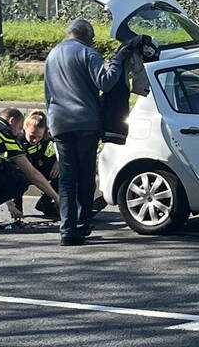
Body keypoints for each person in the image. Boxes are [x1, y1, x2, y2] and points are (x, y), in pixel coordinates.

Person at [44, 18, 137, 246]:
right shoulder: (87, 53)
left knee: (67, 179)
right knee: (85, 176)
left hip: (60, 123)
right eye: (92, 37)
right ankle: (82, 224)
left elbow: (48, 93)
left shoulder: (52, 55)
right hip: (85, 122)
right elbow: (106, 82)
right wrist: (118, 59)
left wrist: (51, 122)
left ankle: (66, 229)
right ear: (86, 34)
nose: (92, 41)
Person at [11, 109, 59, 221]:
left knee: (64, 170)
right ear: (24, 128)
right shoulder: (17, 139)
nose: (35, 140)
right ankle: (17, 205)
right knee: (17, 178)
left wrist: (58, 162)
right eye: (32, 136)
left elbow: (62, 146)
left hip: (39, 164)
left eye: (39, 137)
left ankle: (45, 202)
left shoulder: (47, 135)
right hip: (21, 169)